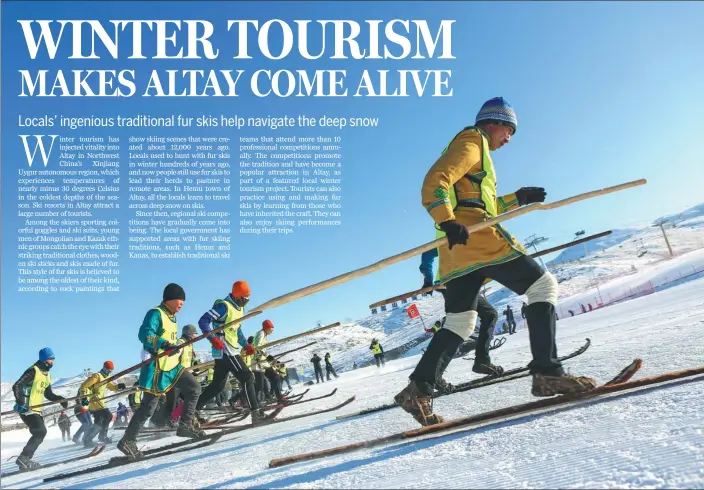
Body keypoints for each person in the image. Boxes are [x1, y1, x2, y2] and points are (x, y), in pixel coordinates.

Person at [395, 97, 597, 426]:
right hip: (477, 239)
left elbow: (478, 203)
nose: (510, 138)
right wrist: (447, 219)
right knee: (543, 285)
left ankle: (418, 390)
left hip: (456, 251)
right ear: (495, 123)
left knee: (460, 323)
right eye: (509, 129)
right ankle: (547, 372)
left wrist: (517, 199)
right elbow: (436, 181)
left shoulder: (479, 154)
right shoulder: (473, 140)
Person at [117, 283, 205, 459]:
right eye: (180, 300)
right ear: (170, 298)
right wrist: (163, 344)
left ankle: (185, 425)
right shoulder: (156, 313)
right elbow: (144, 334)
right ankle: (127, 440)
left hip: (172, 365)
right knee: (149, 407)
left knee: (194, 388)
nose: (182, 304)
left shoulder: (172, 317)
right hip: (157, 367)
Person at [195, 281, 263, 422]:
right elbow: (203, 321)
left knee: (218, 386)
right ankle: (256, 413)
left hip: (230, 349)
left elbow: (236, 329)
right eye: (245, 298)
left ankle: (192, 411)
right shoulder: (223, 306)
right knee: (247, 378)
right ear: (237, 296)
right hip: (225, 348)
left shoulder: (239, 309)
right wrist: (213, 338)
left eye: (248, 298)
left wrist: (245, 345)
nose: (246, 301)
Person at [12, 347, 69, 471]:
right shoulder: (33, 371)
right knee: (40, 431)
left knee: (40, 432)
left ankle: (24, 461)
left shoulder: (47, 375)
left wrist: (60, 400)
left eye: (53, 359)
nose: (52, 362)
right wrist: (21, 403)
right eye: (50, 359)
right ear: (44, 359)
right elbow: (17, 385)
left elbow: (48, 394)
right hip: (26, 409)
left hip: (36, 410)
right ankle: (24, 458)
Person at [150, 324, 198, 428]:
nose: (195, 336)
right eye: (194, 333)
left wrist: (194, 368)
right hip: (176, 376)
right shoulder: (180, 343)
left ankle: (176, 418)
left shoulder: (190, 345)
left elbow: (189, 360)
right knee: (173, 402)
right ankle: (158, 421)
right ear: (189, 334)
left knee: (187, 399)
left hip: (184, 376)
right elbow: (173, 357)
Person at [79, 361, 125, 446]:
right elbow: (84, 386)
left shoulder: (106, 378)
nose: (108, 372)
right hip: (94, 401)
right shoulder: (97, 376)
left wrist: (118, 387)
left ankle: (88, 439)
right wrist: (85, 402)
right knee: (108, 416)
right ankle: (102, 436)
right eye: (107, 370)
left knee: (98, 422)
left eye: (110, 371)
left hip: (99, 401)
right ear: (104, 368)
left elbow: (111, 387)